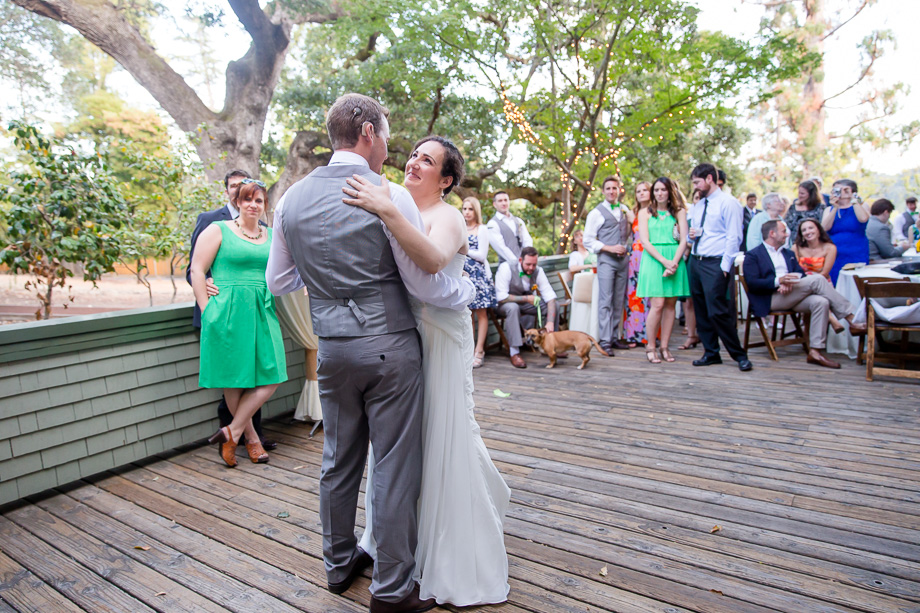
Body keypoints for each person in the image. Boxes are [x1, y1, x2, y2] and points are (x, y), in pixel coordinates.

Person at [266, 94, 475, 613]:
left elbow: (279, 281)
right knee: (395, 466)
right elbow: (421, 284)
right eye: (384, 132)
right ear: (366, 133)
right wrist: (465, 291)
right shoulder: (388, 194)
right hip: (389, 349)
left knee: (338, 460)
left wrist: (329, 286)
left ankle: (338, 565)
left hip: (332, 351)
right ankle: (392, 590)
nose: (388, 145)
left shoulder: (290, 199)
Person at [343, 134, 511, 607]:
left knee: (439, 432)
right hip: (398, 336)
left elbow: (434, 262)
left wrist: (384, 208)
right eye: (414, 155)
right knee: (398, 442)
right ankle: (389, 542)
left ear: (446, 180)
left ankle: (444, 551)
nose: (414, 163)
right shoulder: (395, 205)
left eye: (428, 160)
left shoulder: (448, 217)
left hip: (438, 335)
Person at [191, 180, 287, 466]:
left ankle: (231, 432)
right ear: (237, 202)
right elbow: (197, 269)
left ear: (265, 205)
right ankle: (251, 440)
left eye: (259, 201)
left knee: (272, 375)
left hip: (262, 309)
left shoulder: (271, 235)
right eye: (247, 200)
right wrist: (207, 310)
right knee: (233, 380)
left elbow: (285, 268)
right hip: (227, 311)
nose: (253, 205)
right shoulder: (217, 229)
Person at [743, 220, 866, 369]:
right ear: (772, 233)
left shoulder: (788, 253)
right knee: (818, 280)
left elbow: (800, 274)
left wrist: (789, 282)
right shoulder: (753, 255)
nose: (787, 234)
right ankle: (851, 318)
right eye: (783, 231)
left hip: (790, 294)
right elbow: (752, 283)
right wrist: (778, 281)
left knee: (820, 302)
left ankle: (815, 352)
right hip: (769, 298)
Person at [687, 164, 752, 371]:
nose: (695, 187)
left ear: (709, 178)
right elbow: (696, 232)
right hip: (696, 261)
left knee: (718, 312)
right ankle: (711, 352)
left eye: (697, 182)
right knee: (701, 310)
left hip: (716, 263)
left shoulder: (729, 203)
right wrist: (690, 235)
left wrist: (725, 267)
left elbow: (734, 237)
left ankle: (739, 355)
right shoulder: (699, 205)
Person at [636, 177, 690, 363]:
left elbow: (683, 240)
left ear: (670, 192)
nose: (659, 193)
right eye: (656, 190)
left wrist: (674, 262)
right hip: (654, 260)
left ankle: (665, 346)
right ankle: (650, 346)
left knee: (670, 305)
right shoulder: (644, 213)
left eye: (663, 190)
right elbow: (645, 242)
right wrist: (665, 262)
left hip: (675, 258)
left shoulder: (679, 212)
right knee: (657, 304)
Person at [584, 175, 634, 352]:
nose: (612, 191)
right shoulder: (595, 213)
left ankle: (614, 337)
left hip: (623, 261)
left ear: (619, 190)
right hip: (606, 260)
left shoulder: (624, 209)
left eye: (615, 188)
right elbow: (588, 240)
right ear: (603, 191)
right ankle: (605, 340)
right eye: (608, 188)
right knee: (605, 300)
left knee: (619, 300)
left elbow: (632, 230)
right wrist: (609, 248)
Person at [495, 246, 559, 368]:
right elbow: (501, 297)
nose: (531, 268)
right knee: (513, 308)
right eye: (528, 264)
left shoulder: (538, 271)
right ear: (520, 260)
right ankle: (514, 352)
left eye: (534, 265)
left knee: (554, 305)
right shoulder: (506, 268)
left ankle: (552, 346)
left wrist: (550, 322)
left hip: (526, 305)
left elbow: (550, 296)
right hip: (504, 305)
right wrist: (526, 298)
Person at [461, 196, 498, 368]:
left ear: (476, 211)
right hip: (463, 275)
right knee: (467, 314)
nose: (467, 212)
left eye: (470, 209)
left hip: (478, 275)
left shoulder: (482, 229)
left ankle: (479, 350)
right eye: (464, 209)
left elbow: (482, 255)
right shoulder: (460, 227)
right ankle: (469, 350)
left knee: (481, 314)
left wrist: (464, 249)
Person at [822, 179, 869, 285]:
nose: (837, 193)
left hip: (856, 251)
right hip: (836, 252)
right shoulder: (829, 209)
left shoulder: (861, 205)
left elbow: (863, 219)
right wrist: (835, 207)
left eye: (841, 190)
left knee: (857, 283)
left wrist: (853, 199)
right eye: (835, 190)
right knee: (837, 282)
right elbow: (825, 227)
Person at [624, 182, 652, 347]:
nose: (641, 193)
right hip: (635, 257)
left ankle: (649, 335)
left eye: (645, 190)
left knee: (650, 296)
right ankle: (633, 335)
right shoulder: (632, 213)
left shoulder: (655, 211)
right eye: (638, 191)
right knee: (634, 296)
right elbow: (627, 236)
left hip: (650, 254)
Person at [486, 190, 532, 265]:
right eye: (500, 201)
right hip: (507, 266)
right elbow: (501, 248)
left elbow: (527, 240)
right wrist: (518, 263)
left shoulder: (518, 221)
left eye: (505, 200)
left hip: (525, 265)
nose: (503, 203)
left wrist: (527, 258)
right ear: (494, 204)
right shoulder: (492, 224)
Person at [783, 180, 825, 249]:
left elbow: (822, 226)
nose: (799, 196)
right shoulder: (793, 208)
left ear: (811, 195)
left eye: (802, 193)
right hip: (794, 243)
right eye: (799, 193)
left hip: (812, 244)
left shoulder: (820, 208)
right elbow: (786, 224)